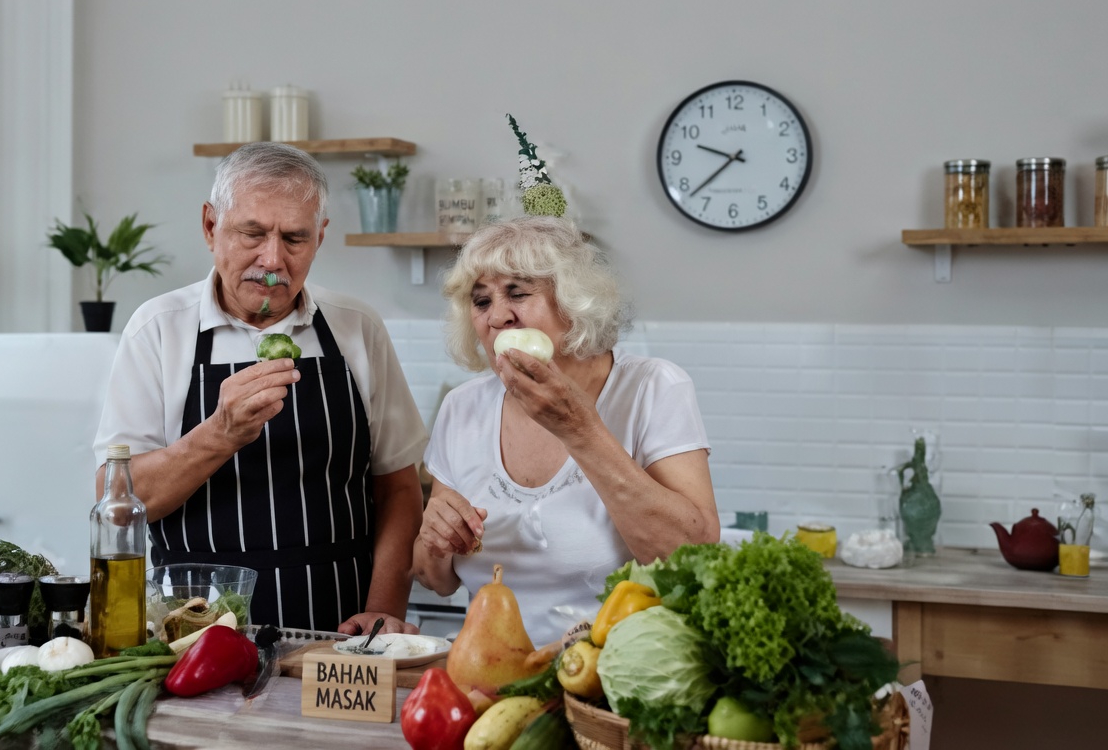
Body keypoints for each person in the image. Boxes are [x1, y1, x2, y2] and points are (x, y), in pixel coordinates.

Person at [93, 142, 427, 635]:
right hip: (195, 635)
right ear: (211, 226)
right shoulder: (159, 331)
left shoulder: (357, 328)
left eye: (295, 238)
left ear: (320, 236)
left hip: (341, 629)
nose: (272, 260)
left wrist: (383, 610)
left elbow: (399, 488)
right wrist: (220, 434)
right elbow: (116, 502)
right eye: (252, 233)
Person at [412, 216, 718, 644]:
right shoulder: (462, 407)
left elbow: (691, 556)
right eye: (481, 302)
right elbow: (434, 579)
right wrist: (435, 539)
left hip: (611, 676)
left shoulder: (654, 387)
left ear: (574, 303)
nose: (498, 316)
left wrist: (580, 429)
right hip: (489, 674)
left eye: (518, 293)